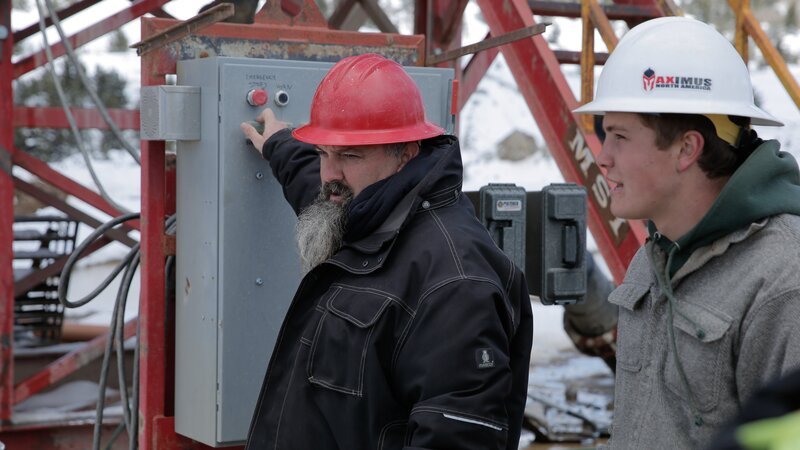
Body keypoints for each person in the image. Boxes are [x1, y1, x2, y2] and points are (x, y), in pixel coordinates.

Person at [239, 53, 533, 450]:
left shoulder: (455, 282)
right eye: (324, 152)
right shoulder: (366, 206)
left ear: (406, 154)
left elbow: (457, 440)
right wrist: (282, 147)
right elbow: (323, 189)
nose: (330, 173)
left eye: (349, 155)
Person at [573, 16, 800, 449]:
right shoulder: (655, 256)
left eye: (619, 135)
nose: (603, 158)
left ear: (686, 149)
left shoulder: (784, 280)